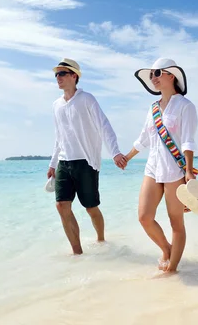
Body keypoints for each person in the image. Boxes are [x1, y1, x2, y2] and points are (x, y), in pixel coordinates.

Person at [124, 58, 198, 273]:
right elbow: (144, 139)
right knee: (144, 217)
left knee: (176, 222)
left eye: (157, 73)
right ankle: (166, 248)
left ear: (170, 75)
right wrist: (126, 158)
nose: (153, 77)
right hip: (153, 168)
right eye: (151, 75)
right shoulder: (153, 108)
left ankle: (172, 270)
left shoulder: (186, 106)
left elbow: (188, 140)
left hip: (175, 170)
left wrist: (189, 172)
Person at [47, 58, 127, 255]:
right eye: (56, 74)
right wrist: (53, 163)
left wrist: (115, 152)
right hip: (64, 163)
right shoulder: (56, 105)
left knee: (91, 208)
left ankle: (101, 239)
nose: (58, 77)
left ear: (74, 76)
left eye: (62, 73)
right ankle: (78, 253)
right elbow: (59, 137)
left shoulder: (87, 99)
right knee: (61, 205)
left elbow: (104, 125)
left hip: (86, 162)